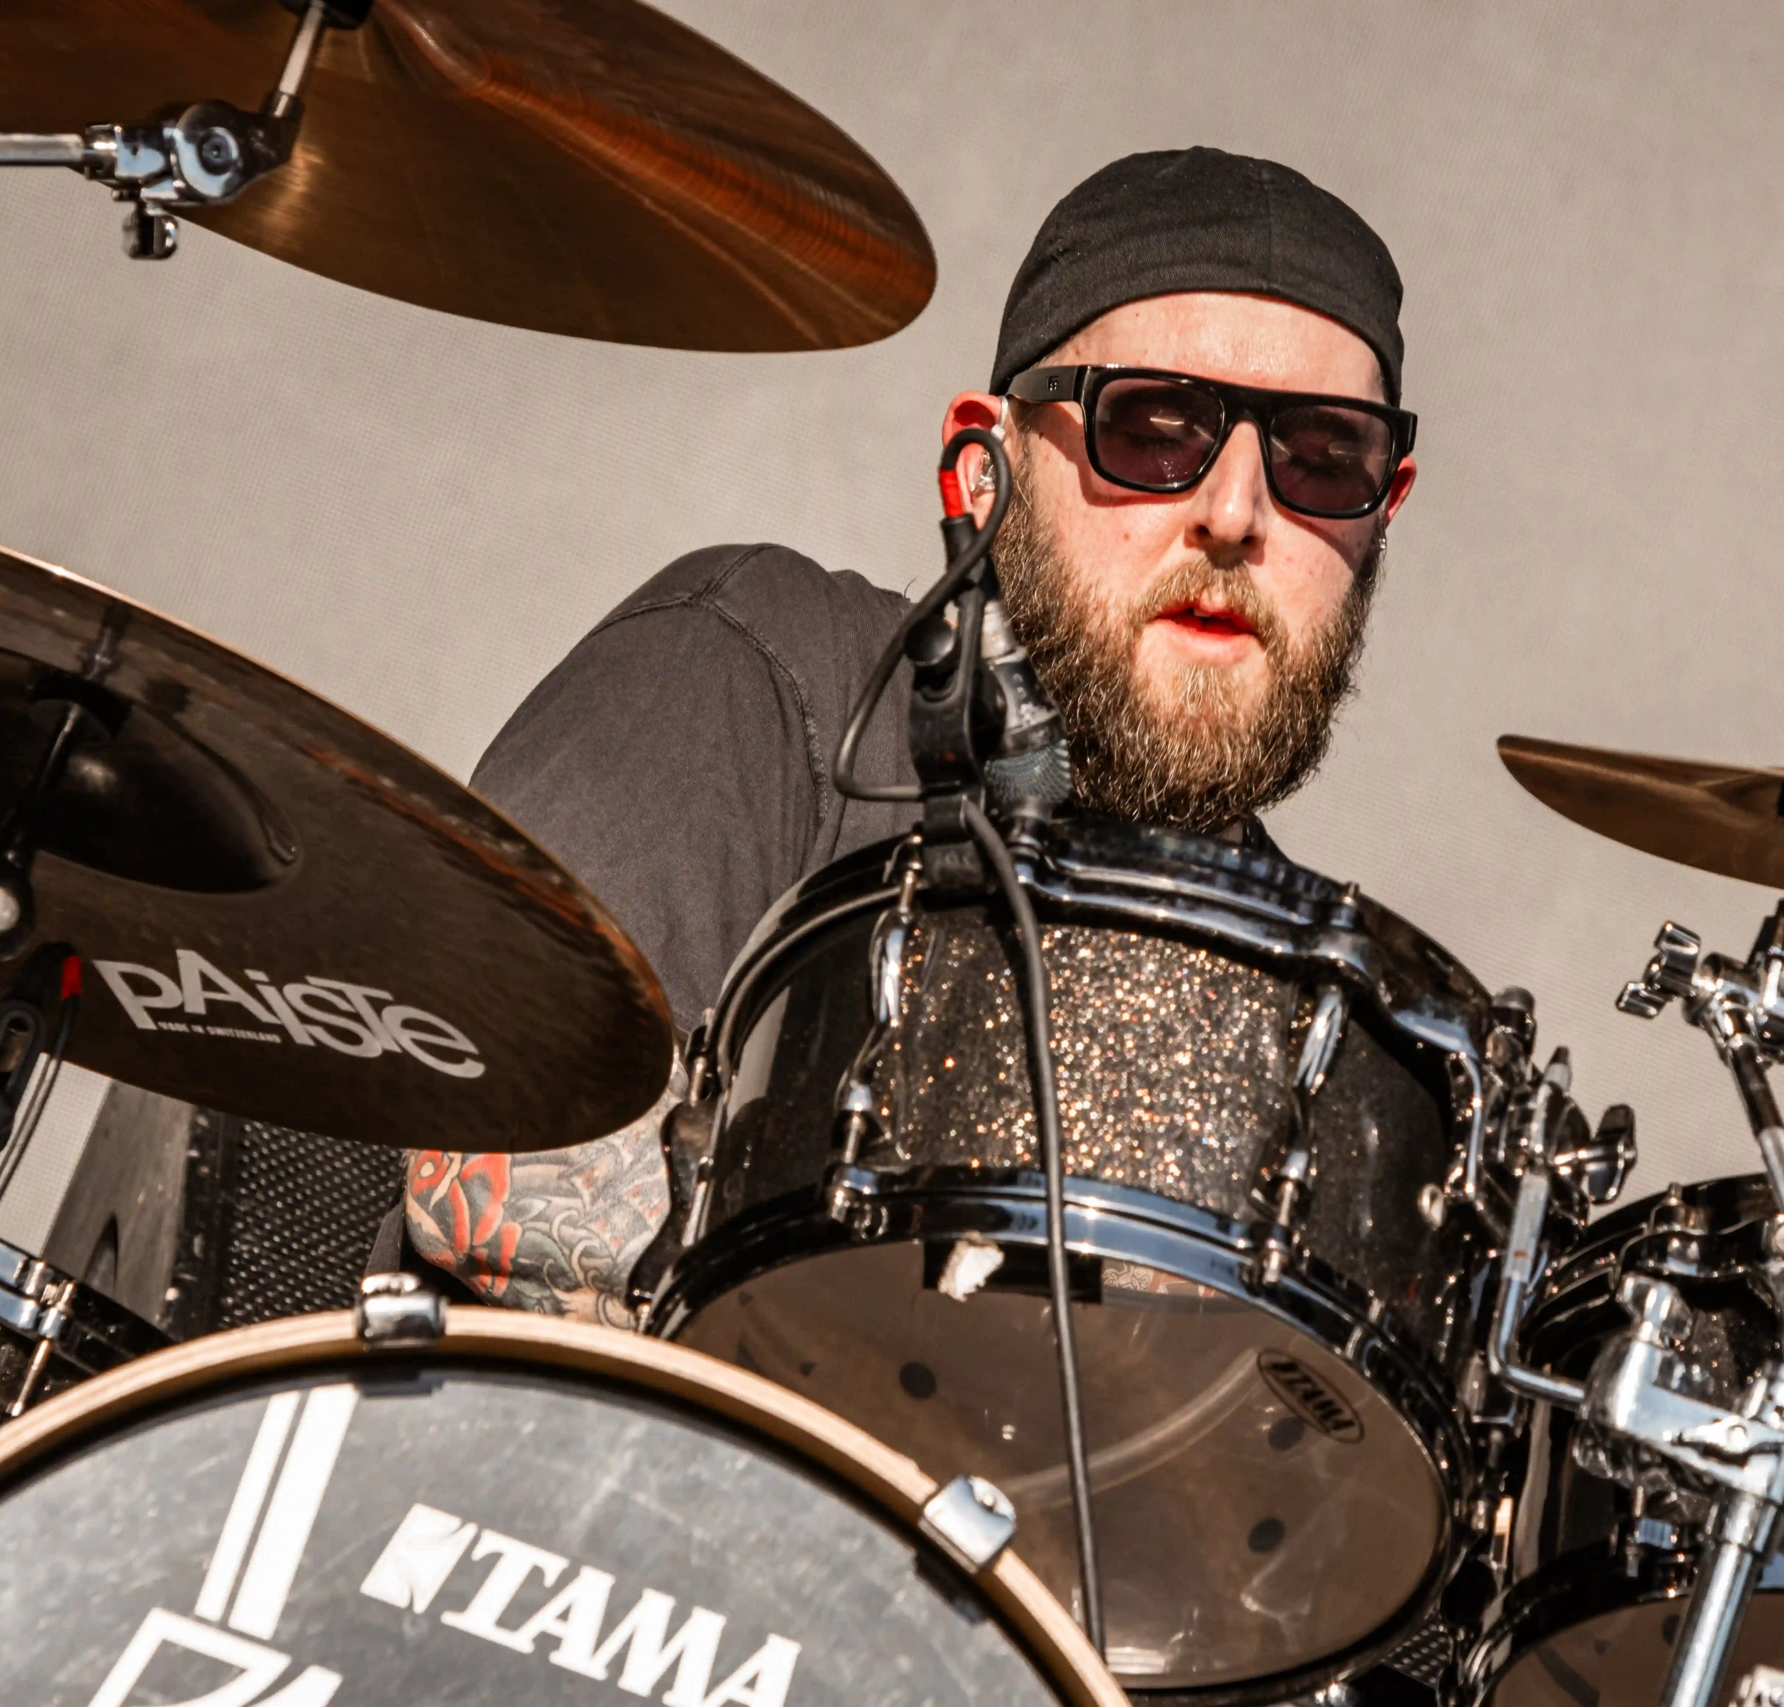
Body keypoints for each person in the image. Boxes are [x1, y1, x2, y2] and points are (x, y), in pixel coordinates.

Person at [404, 147, 1420, 1325]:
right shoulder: (768, 661)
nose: (1234, 513)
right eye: (1153, 429)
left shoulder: (1326, 1008)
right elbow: (489, 1133)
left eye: (1321, 461)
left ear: (1383, 511)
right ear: (983, 469)